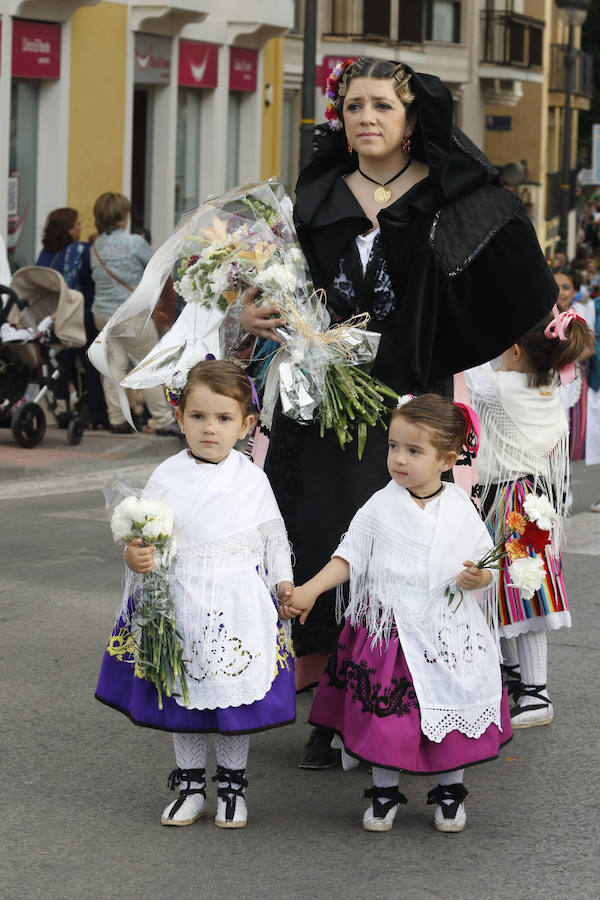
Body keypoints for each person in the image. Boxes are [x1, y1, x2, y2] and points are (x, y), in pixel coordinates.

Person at [240, 56, 557, 768]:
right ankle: (332, 710)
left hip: (408, 392)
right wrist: (252, 310)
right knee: (326, 537)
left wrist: (454, 335)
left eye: (383, 105)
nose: (367, 118)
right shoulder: (317, 189)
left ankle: (406, 704)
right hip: (322, 397)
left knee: (402, 553)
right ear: (340, 118)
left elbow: (515, 269)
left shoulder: (449, 190)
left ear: (413, 119)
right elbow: (277, 280)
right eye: (354, 106)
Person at [284, 394, 510, 833]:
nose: (399, 459)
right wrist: (310, 590)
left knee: (451, 710)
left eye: (414, 450)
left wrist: (477, 579)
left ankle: (449, 792)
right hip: (388, 636)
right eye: (393, 447)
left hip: (446, 635)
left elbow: (487, 563)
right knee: (385, 720)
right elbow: (350, 556)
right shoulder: (381, 504)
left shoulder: (461, 507)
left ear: (447, 459)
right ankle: (384, 791)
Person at [95, 360, 295, 828]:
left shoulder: (253, 478)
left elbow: (272, 537)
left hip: (236, 604)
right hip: (181, 602)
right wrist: (136, 557)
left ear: (246, 425)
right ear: (180, 416)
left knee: (232, 698)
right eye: (199, 417)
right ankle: (189, 786)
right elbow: (145, 538)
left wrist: (283, 584)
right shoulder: (169, 474)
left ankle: (231, 786)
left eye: (224, 419)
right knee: (182, 698)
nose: (210, 428)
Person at [466, 307, 595, 727]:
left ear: (517, 351)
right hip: (535, 500)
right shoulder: (554, 388)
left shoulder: (500, 386)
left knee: (513, 595)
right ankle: (521, 682)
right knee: (519, 593)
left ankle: (534, 693)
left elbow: (465, 367)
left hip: (506, 502)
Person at [90, 192, 177, 435]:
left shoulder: (95, 246)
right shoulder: (134, 243)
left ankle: (117, 419)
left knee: (112, 367)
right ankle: (162, 420)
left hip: (103, 315)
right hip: (131, 315)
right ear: (121, 217)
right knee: (148, 363)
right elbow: (158, 267)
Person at [35, 207, 108, 428]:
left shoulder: (45, 253)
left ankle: (61, 410)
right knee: (93, 365)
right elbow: (92, 281)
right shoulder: (82, 251)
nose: (80, 228)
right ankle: (97, 416)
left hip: (54, 316)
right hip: (82, 314)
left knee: (61, 366)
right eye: (77, 224)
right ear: (67, 228)